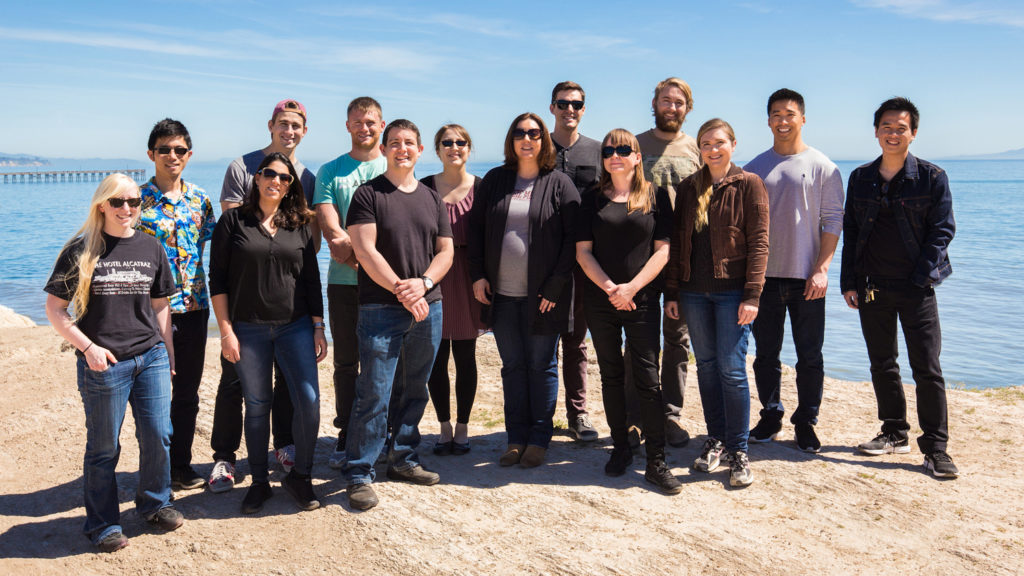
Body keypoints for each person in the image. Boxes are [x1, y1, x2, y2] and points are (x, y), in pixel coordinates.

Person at [45, 174, 184, 553]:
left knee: (158, 434)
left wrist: (167, 351)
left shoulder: (152, 248)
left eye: (135, 202)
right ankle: (103, 523)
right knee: (105, 446)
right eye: (119, 202)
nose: (128, 209)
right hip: (103, 364)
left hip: (150, 357)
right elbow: (56, 311)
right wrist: (88, 348)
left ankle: (156, 504)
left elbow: (160, 305)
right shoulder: (81, 250)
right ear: (102, 205)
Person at [840, 97, 958, 478]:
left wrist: (920, 278)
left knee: (927, 368)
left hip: (917, 288)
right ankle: (894, 431)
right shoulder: (861, 178)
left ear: (914, 133)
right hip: (872, 286)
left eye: (900, 128)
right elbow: (852, 231)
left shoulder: (931, 177)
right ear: (876, 131)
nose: (893, 133)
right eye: (886, 127)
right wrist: (849, 282)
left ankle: (936, 449)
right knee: (883, 364)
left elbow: (943, 231)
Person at [343, 119, 454, 511]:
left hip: (429, 306)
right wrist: (401, 290)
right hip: (380, 308)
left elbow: (446, 252)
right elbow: (365, 251)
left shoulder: (431, 197)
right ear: (384, 149)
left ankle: (403, 458)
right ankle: (359, 472)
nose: (401, 149)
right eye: (394, 143)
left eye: (409, 143)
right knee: (374, 390)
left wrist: (422, 284)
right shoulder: (368, 194)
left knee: (415, 388)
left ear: (420, 150)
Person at [209, 153, 327, 513]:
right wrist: (227, 332)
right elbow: (218, 280)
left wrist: (318, 326)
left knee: (308, 401)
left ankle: (300, 477)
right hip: (249, 329)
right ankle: (259, 482)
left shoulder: (300, 224)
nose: (276, 181)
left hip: (295, 327)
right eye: (269, 174)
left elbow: (310, 280)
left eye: (284, 177)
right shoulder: (233, 221)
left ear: (291, 186)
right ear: (256, 179)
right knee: (257, 406)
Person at [469, 112, 580, 469]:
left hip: (544, 298)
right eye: (520, 132)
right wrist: (478, 275)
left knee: (542, 365)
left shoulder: (559, 182)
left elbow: (572, 241)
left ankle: (539, 439)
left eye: (534, 132)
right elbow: (475, 233)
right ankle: (515, 438)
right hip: (501, 295)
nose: (527, 138)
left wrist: (556, 285)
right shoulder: (495, 180)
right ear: (511, 140)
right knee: (513, 366)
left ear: (544, 139)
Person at [665, 118, 769, 488]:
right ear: (699, 149)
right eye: (706, 143)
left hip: (732, 294)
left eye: (719, 142)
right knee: (707, 367)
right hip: (693, 292)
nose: (713, 149)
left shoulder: (749, 184)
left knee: (731, 368)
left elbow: (759, 243)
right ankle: (717, 440)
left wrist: (753, 295)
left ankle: (738, 451)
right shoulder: (689, 187)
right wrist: (673, 292)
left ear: (733, 145)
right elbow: (678, 244)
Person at [576, 129, 681, 494]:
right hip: (601, 300)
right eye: (609, 150)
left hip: (643, 301)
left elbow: (663, 251)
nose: (615, 155)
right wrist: (610, 289)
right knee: (611, 375)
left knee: (649, 380)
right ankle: (620, 448)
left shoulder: (655, 196)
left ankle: (656, 460)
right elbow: (583, 252)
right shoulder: (591, 198)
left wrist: (632, 288)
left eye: (623, 149)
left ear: (637, 156)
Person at [744, 89, 844, 452]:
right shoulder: (753, 168)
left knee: (810, 356)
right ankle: (771, 417)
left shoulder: (824, 166)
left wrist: (823, 268)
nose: (782, 121)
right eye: (775, 114)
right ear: (768, 120)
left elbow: (833, 220)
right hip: (765, 278)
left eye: (789, 114)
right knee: (765, 354)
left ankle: (806, 422)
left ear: (803, 118)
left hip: (807, 278)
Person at [136, 119, 217, 492]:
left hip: (195, 307)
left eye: (179, 150)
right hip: (148, 312)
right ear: (151, 154)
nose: (172, 156)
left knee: (186, 391)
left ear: (189, 155)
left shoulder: (200, 200)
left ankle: (180, 465)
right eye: (164, 149)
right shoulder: (134, 202)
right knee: (153, 393)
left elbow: (212, 246)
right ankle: (155, 467)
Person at [314, 96, 388, 470]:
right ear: (348, 126)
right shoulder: (331, 171)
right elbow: (333, 232)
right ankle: (346, 431)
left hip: (388, 285)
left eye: (371, 122)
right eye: (358, 122)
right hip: (344, 283)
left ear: (382, 124)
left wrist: (378, 268)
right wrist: (367, 262)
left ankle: (381, 431)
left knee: (387, 361)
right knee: (346, 362)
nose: (365, 128)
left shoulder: (393, 167)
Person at [633, 77, 702, 448]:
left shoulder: (696, 148)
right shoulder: (637, 145)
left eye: (678, 102)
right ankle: (635, 416)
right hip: (641, 258)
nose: (671, 107)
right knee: (639, 339)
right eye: (665, 100)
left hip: (683, 261)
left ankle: (670, 415)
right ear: (655, 103)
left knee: (677, 340)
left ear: (687, 109)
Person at [422, 124, 485, 456]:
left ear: (469, 148)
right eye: (447, 142)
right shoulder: (424, 187)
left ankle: (462, 428)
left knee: (466, 355)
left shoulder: (483, 188)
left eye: (461, 142)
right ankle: (443, 428)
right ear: (437, 149)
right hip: (434, 275)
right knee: (435, 357)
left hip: (469, 277)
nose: (454, 147)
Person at [549, 81, 601, 443]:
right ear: (552, 107)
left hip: (585, 261)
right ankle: (541, 415)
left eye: (576, 104)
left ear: (584, 109)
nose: (570, 109)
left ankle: (577, 414)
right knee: (542, 341)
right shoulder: (537, 147)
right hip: (543, 262)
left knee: (576, 342)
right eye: (563, 103)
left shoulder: (598, 151)